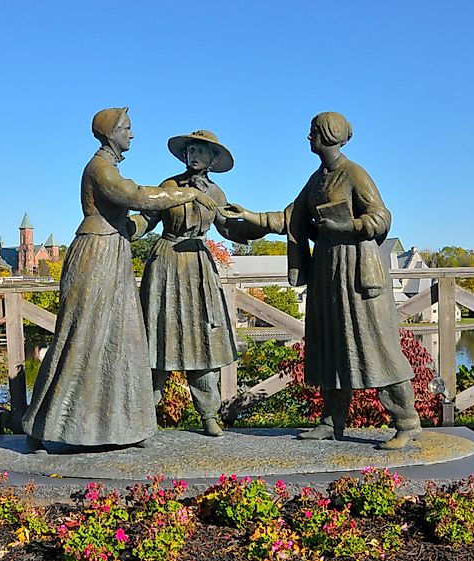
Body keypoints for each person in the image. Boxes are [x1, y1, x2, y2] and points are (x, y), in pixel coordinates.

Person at [221, 112, 422, 450]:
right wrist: (250, 216)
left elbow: (382, 219)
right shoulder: (316, 180)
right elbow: (290, 217)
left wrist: (347, 227)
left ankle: (407, 421)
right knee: (331, 345)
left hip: (358, 273)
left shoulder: (354, 173)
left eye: (312, 131)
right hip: (327, 272)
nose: (308, 137)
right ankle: (332, 421)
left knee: (376, 346)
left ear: (328, 135)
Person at [22, 108, 214, 448]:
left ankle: (125, 426)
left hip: (113, 250)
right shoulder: (101, 169)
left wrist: (138, 224)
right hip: (96, 255)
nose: (132, 134)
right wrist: (188, 193)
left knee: (122, 338)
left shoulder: (108, 167)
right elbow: (136, 196)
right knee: (83, 335)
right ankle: (49, 425)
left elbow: (135, 216)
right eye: (127, 128)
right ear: (111, 133)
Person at [134, 130, 243, 437]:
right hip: (166, 263)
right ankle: (145, 415)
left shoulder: (217, 194)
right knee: (156, 338)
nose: (193, 155)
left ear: (213, 158)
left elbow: (229, 228)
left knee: (204, 339)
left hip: (197, 266)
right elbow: (147, 217)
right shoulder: (169, 186)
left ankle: (208, 413)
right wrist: (124, 228)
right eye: (190, 150)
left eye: (201, 151)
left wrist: (254, 226)